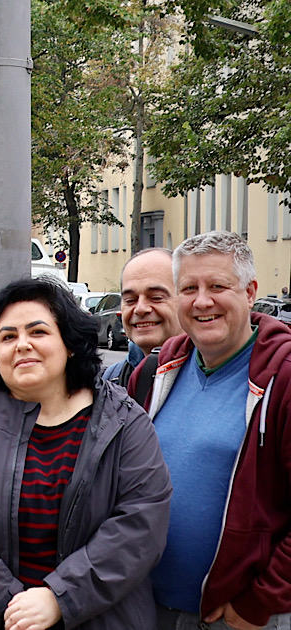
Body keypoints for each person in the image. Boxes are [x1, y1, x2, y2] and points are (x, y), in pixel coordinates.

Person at [0, 277, 172, 630]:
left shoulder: (122, 420)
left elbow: (141, 523)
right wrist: (13, 610)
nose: (22, 345)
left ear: (69, 344)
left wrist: (61, 598)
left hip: (94, 617)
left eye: (38, 332)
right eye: (8, 336)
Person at [129, 231, 291, 630]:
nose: (202, 301)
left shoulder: (284, 378)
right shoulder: (154, 373)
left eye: (218, 286)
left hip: (240, 618)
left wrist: (260, 601)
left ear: (250, 291)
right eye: (189, 288)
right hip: (146, 608)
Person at [102, 248, 183, 390]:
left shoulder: (215, 380)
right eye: (130, 300)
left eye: (156, 298)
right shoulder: (112, 379)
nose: (140, 309)